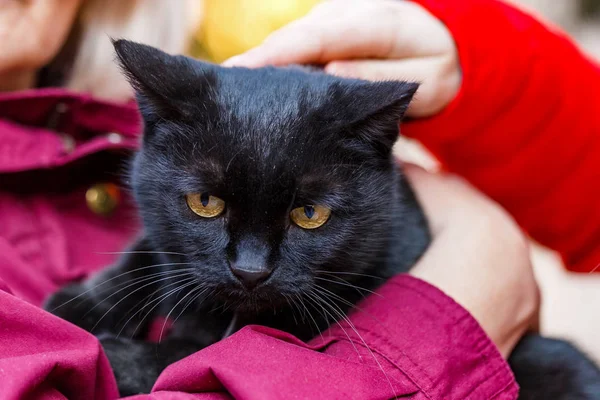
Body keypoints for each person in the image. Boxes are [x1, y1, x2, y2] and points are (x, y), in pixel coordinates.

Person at [1, 0, 570, 398]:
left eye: (308, 213)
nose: (251, 268)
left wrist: (480, 68)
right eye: (207, 205)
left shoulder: (102, 142)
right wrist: (448, 318)